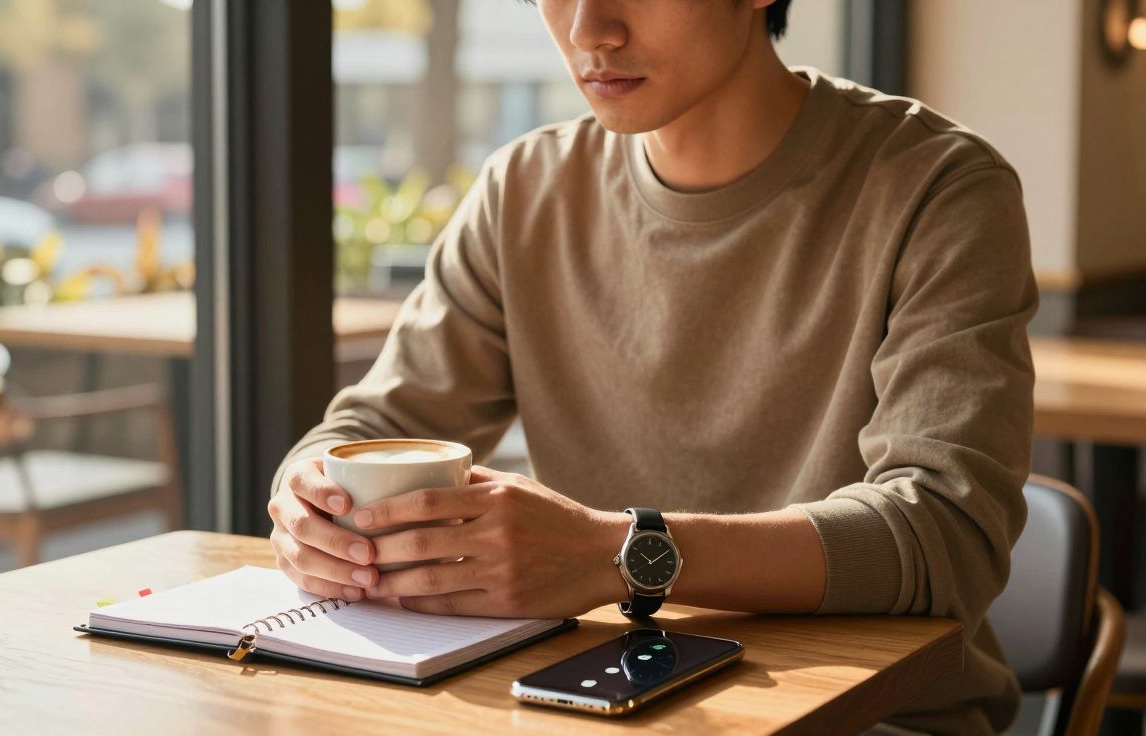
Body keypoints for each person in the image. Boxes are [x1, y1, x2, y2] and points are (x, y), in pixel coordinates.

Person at [269, 1, 1036, 732]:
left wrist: (620, 552)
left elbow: (946, 536)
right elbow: (378, 425)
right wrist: (307, 492)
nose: (587, 30)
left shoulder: (938, 187)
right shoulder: (525, 191)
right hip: (593, 701)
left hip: (869, 715)